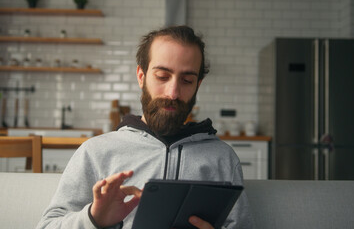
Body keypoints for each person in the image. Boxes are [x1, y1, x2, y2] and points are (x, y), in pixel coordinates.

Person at [36, 25, 255, 229]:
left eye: (187, 81)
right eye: (162, 76)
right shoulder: (95, 152)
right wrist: (94, 218)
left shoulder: (222, 158)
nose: (173, 93)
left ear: (198, 85)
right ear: (141, 76)